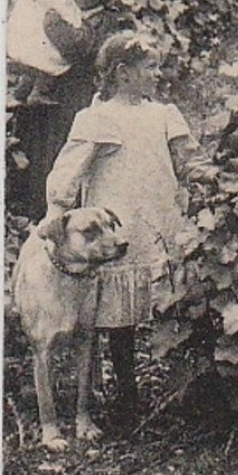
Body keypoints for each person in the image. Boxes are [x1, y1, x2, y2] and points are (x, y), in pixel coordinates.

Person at [40, 32, 210, 425]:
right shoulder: (97, 119)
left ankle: (184, 389)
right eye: (150, 67)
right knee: (120, 321)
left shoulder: (164, 114)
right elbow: (68, 172)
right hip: (118, 231)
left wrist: (211, 176)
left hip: (162, 222)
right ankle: (127, 395)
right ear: (123, 73)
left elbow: (188, 161)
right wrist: (58, 213)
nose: (158, 74)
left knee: (173, 302)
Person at [7, 0, 135, 220]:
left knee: (71, 164)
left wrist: (51, 18)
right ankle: (37, 221)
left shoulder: (111, 21)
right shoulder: (65, 7)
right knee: (40, 160)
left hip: (78, 103)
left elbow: (81, 50)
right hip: (48, 103)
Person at [7, 0, 82, 105]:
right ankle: (37, 94)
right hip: (35, 35)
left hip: (30, 34)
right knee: (49, 61)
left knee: (35, 67)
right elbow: (56, 7)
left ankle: (20, 94)